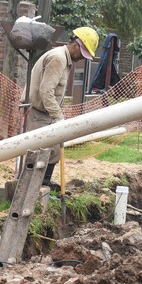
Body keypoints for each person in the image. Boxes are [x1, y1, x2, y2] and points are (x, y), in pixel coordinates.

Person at [26, 27, 99, 190]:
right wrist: (58, 117)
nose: (81, 58)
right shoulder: (58, 58)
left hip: (47, 112)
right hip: (41, 113)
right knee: (38, 152)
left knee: (54, 149)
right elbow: (46, 91)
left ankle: (44, 183)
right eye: (82, 53)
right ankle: (32, 186)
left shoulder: (65, 59)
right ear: (75, 45)